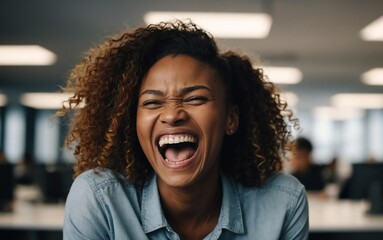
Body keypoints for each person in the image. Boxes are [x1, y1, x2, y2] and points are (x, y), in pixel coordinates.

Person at [60, 20, 308, 240]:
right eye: (152, 102)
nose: (172, 114)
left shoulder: (284, 202)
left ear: (230, 120)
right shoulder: (99, 199)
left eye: (196, 99)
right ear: (132, 123)